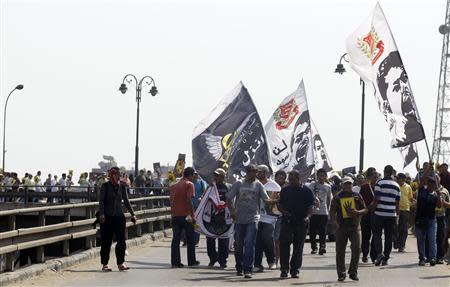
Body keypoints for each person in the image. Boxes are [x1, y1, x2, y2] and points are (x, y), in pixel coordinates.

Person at [226, 164, 272, 279]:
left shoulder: (258, 185)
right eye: (254, 172)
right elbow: (228, 198)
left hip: (253, 219)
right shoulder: (239, 184)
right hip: (239, 219)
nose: (256, 174)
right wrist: (232, 211)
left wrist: (275, 200)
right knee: (238, 244)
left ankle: (248, 269)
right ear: (247, 172)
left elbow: (266, 199)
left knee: (250, 244)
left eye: (257, 172)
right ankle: (239, 267)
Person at [278, 169, 315, 279]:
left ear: (299, 179)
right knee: (284, 246)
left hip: (301, 222)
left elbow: (311, 206)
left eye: (293, 180)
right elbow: (279, 204)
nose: (291, 181)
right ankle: (284, 269)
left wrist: (308, 217)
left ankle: (295, 270)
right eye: (290, 179)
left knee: (298, 248)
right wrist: (284, 212)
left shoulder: (307, 191)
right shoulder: (285, 190)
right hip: (287, 222)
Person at [99, 167, 137, 271]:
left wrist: (133, 214)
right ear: (112, 175)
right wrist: (102, 213)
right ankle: (105, 264)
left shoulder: (122, 186)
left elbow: (126, 201)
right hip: (107, 217)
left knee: (121, 241)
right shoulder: (105, 186)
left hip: (119, 216)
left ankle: (120, 263)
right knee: (106, 241)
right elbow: (101, 201)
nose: (118, 177)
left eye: (119, 175)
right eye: (116, 175)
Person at [330, 176, 368, 282]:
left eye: (349, 184)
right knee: (340, 251)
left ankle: (353, 272)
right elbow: (332, 210)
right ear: (342, 184)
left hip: (355, 227)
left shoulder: (357, 196)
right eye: (345, 184)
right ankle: (341, 274)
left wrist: (357, 212)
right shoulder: (337, 197)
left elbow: (365, 209)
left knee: (357, 249)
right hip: (341, 227)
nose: (347, 186)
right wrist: (333, 222)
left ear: (352, 184)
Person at [371, 165, 400, 266]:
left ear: (384, 172)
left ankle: (379, 253)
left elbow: (376, 199)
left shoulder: (380, 183)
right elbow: (397, 203)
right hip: (391, 214)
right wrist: (397, 216)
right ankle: (386, 258)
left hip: (379, 213)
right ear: (392, 172)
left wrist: (372, 210)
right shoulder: (397, 185)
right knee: (388, 237)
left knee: (377, 234)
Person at [170, 167, 199, 268]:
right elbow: (189, 200)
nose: (194, 177)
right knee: (190, 239)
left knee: (176, 240)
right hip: (186, 215)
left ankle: (175, 262)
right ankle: (191, 261)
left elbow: (171, 201)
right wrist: (193, 214)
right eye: (193, 175)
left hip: (175, 215)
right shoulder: (190, 184)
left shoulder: (174, 186)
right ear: (190, 175)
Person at [253, 165, 281, 272]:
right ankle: (257, 264)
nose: (257, 174)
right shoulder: (254, 184)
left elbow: (277, 202)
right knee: (257, 241)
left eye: (259, 172)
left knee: (268, 238)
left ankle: (271, 261)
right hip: (256, 217)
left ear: (264, 173)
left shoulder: (274, 186)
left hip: (269, 218)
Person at [415, 164, 442, 266]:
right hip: (420, 219)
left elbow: (439, 206)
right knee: (421, 240)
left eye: (433, 183)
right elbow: (421, 180)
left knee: (432, 239)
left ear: (435, 185)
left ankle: (432, 258)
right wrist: (429, 169)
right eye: (429, 183)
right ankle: (422, 258)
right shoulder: (422, 191)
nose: (431, 185)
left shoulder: (435, 195)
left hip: (431, 220)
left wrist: (439, 196)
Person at [206, 168, 231, 268]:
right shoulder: (211, 187)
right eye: (214, 175)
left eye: (217, 175)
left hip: (224, 218)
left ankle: (222, 260)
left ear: (223, 176)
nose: (215, 177)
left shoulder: (228, 187)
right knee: (210, 239)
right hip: (212, 218)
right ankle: (212, 259)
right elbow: (205, 199)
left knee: (223, 240)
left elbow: (232, 199)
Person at [307, 168, 332, 255]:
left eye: (323, 176)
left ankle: (322, 246)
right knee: (312, 230)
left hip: (323, 211)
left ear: (326, 177)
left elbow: (329, 198)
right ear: (317, 176)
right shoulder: (313, 184)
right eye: (319, 175)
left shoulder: (328, 186)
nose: (321, 177)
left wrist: (328, 210)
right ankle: (314, 247)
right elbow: (308, 194)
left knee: (322, 230)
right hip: (313, 211)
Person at [392, 173, 414, 253]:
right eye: (397, 178)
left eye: (399, 178)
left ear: (404, 179)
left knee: (403, 229)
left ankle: (402, 245)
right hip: (394, 209)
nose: (397, 180)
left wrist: (415, 203)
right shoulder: (394, 186)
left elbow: (410, 198)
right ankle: (395, 242)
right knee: (394, 227)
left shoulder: (408, 187)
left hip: (405, 210)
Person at [273, 170, 288, 267]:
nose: (280, 179)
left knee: (277, 240)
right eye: (279, 177)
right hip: (269, 215)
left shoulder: (287, 189)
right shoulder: (271, 186)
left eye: (282, 178)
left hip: (281, 217)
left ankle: (276, 261)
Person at [435, 174, 450, 264]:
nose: (435, 180)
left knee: (441, 237)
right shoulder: (429, 189)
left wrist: (444, 202)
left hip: (441, 216)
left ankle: (440, 257)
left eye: (437, 178)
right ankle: (430, 256)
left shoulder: (445, 191)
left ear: (439, 179)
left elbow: (449, 204)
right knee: (431, 238)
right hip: (431, 217)